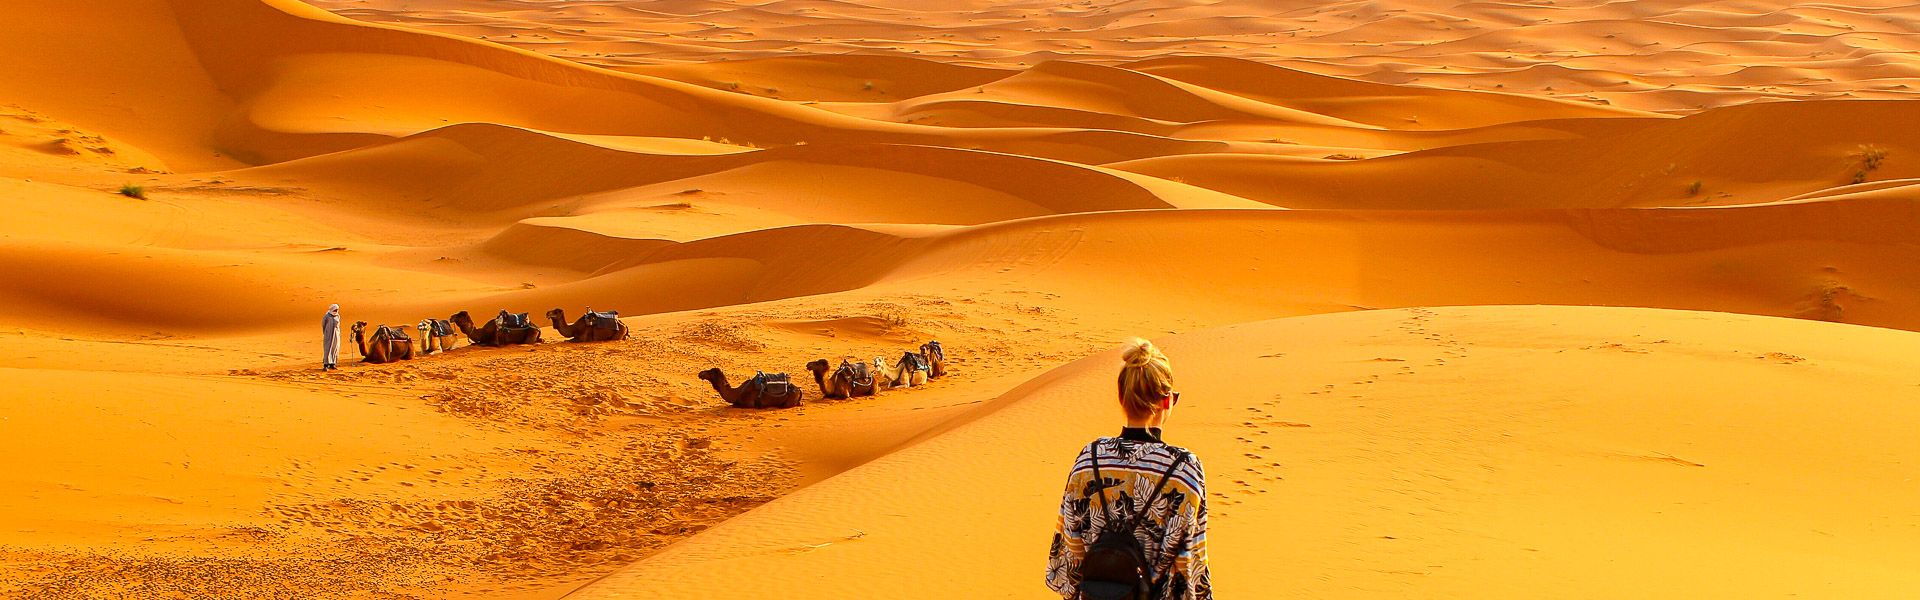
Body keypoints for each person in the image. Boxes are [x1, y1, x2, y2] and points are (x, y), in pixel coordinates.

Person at [1046, 339, 1210, 600]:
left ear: (1121, 397)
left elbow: (1069, 543)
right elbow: (1191, 563)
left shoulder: (1089, 458)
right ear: (1166, 401)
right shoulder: (1184, 468)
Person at [321, 304, 341, 371]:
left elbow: (338, 326)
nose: (336, 311)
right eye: (335, 310)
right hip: (328, 335)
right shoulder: (326, 316)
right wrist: (326, 333)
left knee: (335, 348)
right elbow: (323, 325)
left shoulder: (338, 316)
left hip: (336, 335)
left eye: (337, 310)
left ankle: (333, 364)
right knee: (327, 349)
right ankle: (326, 365)